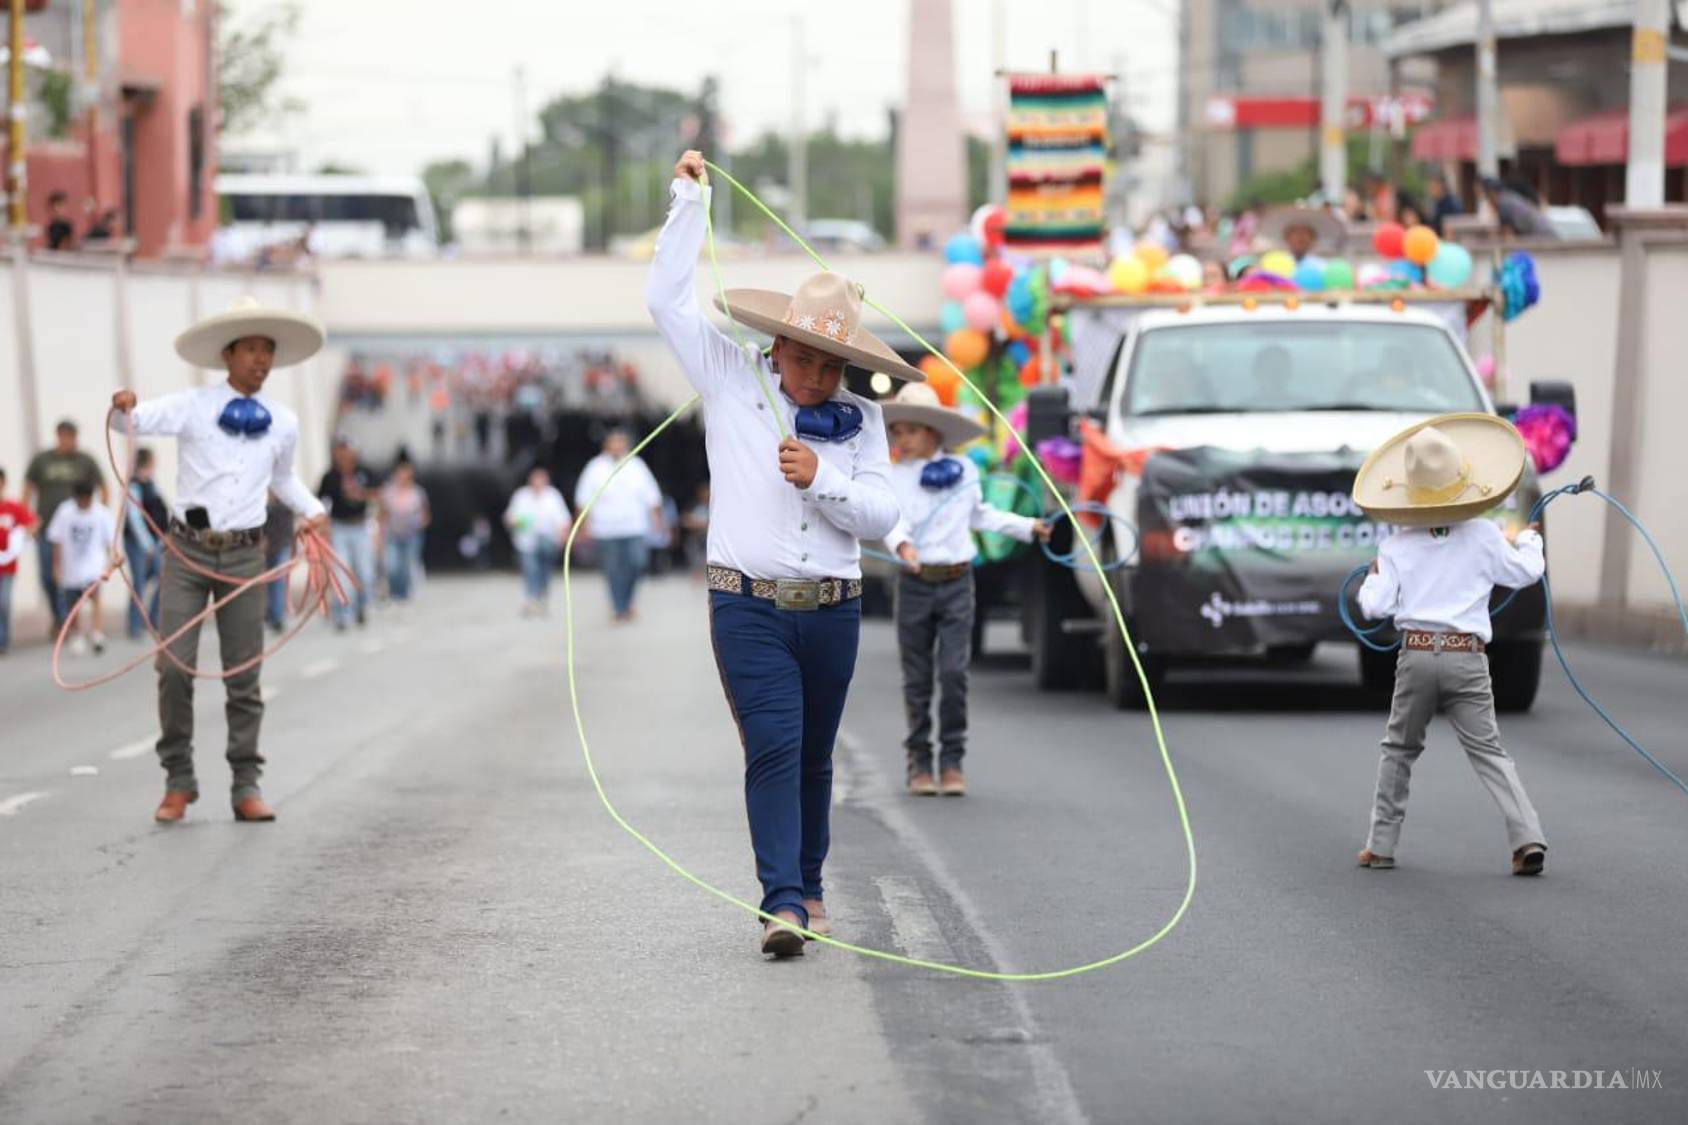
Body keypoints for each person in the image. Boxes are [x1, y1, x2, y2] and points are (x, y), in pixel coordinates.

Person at [649, 149, 908, 958]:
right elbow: (666, 301)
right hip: (747, 603)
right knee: (774, 743)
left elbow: (880, 513)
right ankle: (781, 903)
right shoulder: (731, 377)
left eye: (833, 365)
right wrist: (688, 202)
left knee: (815, 756)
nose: (816, 376)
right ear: (779, 344)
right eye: (804, 359)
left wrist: (821, 477)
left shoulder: (863, 424)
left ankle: (812, 881)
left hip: (833, 608)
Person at [109, 296, 330, 824]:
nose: (261, 360)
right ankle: (178, 780)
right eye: (252, 349)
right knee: (174, 667)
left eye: (268, 351)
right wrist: (123, 407)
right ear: (228, 355)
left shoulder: (283, 421)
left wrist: (314, 509)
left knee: (244, 674)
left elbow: (282, 478)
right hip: (186, 552)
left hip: (245, 556)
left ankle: (245, 783)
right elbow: (131, 424)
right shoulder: (191, 405)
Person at [1350, 415, 1548, 876]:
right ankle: (1527, 837)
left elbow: (1373, 608)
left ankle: (1380, 845)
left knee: (1399, 749)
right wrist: (1532, 545)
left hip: (1416, 654)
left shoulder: (1396, 546)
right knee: (1489, 750)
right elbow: (1524, 574)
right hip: (1467, 657)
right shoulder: (1483, 535)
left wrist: (1369, 581)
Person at [881, 383, 1049, 797]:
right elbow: (887, 521)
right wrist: (902, 547)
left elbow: (982, 515)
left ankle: (952, 759)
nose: (902, 439)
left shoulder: (965, 473)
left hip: (957, 581)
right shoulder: (889, 478)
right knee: (917, 677)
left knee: (954, 673)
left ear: (934, 433)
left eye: (911, 431)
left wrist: (1028, 527)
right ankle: (919, 760)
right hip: (915, 582)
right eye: (897, 431)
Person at [23, 419, 107, 633]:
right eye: (65, 436)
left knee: (80, 576)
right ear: (58, 436)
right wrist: (26, 518)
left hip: (77, 531)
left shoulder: (85, 461)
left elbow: (103, 487)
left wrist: (98, 517)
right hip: (47, 529)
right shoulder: (42, 460)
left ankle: (70, 623)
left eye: (72, 436)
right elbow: (28, 488)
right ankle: (59, 615)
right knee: (48, 576)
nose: (69, 441)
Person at [574, 429, 663, 623]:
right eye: (613, 442)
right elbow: (582, 499)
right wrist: (582, 526)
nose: (616, 446)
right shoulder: (594, 467)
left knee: (637, 563)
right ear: (606, 445)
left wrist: (658, 521)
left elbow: (652, 496)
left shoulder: (636, 465)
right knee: (613, 570)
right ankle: (619, 608)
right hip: (605, 529)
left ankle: (628, 601)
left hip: (634, 527)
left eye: (620, 442)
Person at [47, 480, 116, 656]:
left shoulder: (101, 512)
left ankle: (97, 633)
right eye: (81, 499)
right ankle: (77, 634)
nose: (84, 503)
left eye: (87, 499)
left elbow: (110, 541)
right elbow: (56, 540)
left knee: (95, 597)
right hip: (71, 566)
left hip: (93, 566)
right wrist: (56, 567)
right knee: (73, 604)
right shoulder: (65, 511)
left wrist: (112, 561)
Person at [318, 438, 379, 631]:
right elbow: (320, 501)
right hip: (340, 528)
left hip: (360, 526)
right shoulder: (330, 477)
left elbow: (379, 493)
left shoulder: (364, 472)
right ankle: (343, 614)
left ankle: (363, 605)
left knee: (364, 571)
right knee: (341, 573)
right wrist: (323, 525)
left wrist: (361, 495)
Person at [504, 466, 571, 616]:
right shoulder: (521, 496)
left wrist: (563, 535)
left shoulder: (553, 496)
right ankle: (532, 598)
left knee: (544, 570)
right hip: (526, 540)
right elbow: (510, 517)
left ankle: (542, 595)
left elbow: (563, 519)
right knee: (530, 569)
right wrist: (515, 522)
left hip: (548, 540)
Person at [123, 448, 170, 639]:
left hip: (156, 541)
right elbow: (135, 518)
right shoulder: (134, 486)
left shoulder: (152, 484)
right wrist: (147, 545)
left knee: (163, 578)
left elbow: (161, 509)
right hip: (138, 544)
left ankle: (153, 618)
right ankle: (135, 625)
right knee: (139, 582)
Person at [378, 459, 430, 607]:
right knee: (392, 565)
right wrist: (380, 533)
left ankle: (404, 594)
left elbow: (425, 513)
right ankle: (395, 592)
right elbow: (382, 514)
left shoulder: (418, 493)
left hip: (412, 535)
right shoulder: (388, 492)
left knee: (407, 565)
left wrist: (421, 523)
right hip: (392, 534)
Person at [0, 467, 41, 654]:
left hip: (8, 566)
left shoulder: (13, 507)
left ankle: (3, 640)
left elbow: (33, 522)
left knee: (4, 602)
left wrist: (25, 533)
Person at [1480, 176, 1557, 240]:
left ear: (1492, 193)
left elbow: (1508, 235)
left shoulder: (1504, 203)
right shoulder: (1508, 198)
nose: (1487, 200)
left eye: (1486, 196)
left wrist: (1493, 236)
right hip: (1545, 234)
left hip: (1543, 237)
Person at [1258, 205, 1344, 263]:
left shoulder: (1321, 266)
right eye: (1295, 232)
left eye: (1305, 232)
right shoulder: (1276, 265)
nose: (1300, 237)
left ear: (1313, 237)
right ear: (1286, 237)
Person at [262, 497, 295, 633]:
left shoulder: (286, 507)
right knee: (267, 583)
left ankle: (277, 617)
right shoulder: (262, 506)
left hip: (281, 547)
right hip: (265, 549)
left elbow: (288, 530)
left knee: (278, 583)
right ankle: (270, 613)